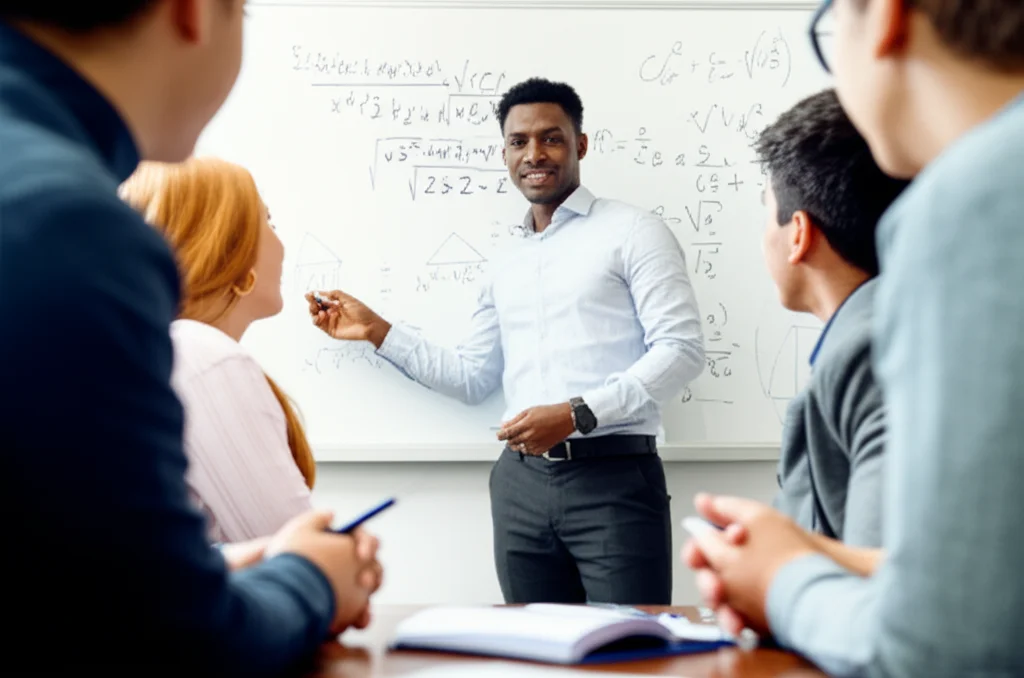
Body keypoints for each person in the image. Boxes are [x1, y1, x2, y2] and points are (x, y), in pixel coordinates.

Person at [0, 1, 382, 673]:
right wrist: (313, 576)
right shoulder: (67, 222)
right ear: (193, 12)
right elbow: (169, 635)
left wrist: (200, 570)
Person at [683, 1, 1024, 676]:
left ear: (888, 17)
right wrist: (814, 557)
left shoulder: (977, 200)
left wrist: (783, 584)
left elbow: (945, 645)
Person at [308, 77, 705, 605]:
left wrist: (577, 412)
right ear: (505, 152)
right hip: (519, 487)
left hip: (615, 481)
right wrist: (377, 331)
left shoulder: (635, 232)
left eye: (551, 138)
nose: (534, 154)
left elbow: (681, 349)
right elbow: (474, 379)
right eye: (519, 142)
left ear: (580, 145)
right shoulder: (504, 261)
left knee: (629, 651)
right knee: (530, 652)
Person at [120, 157, 317, 543]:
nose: (282, 243)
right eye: (268, 222)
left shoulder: (164, 351)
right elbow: (296, 553)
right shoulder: (203, 356)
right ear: (231, 253)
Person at [756, 88, 908, 547]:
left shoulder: (868, 353)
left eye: (766, 214)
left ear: (798, 233)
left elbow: (877, 578)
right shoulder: (887, 326)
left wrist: (771, 572)